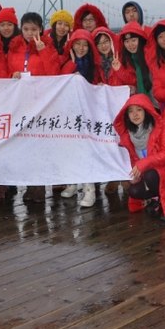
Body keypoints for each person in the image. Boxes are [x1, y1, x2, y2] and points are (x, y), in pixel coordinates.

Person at [8, 12, 59, 202]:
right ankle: (29, 183)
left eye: (34, 29)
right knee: (25, 145)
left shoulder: (48, 46)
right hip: (20, 103)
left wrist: (43, 50)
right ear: (21, 29)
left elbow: (54, 73)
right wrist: (11, 75)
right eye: (26, 29)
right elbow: (6, 72)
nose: (30, 33)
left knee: (40, 144)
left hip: (41, 103)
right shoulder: (14, 48)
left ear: (41, 29)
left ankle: (38, 187)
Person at [58, 29, 104, 207]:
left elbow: (98, 84)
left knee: (87, 149)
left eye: (85, 45)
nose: (81, 48)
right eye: (77, 44)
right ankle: (72, 182)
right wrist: (71, 63)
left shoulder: (94, 65)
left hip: (88, 112)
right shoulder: (66, 62)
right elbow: (61, 80)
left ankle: (89, 189)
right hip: (69, 111)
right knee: (70, 148)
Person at [114, 95, 165, 218]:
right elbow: (134, 160)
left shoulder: (162, 126)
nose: (135, 114)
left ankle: (162, 199)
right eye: (130, 111)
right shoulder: (128, 135)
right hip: (148, 173)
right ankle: (155, 198)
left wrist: (144, 164)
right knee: (134, 190)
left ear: (146, 110)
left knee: (150, 175)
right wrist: (134, 175)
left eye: (139, 109)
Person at [112, 21, 152, 97]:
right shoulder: (129, 59)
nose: (130, 45)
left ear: (140, 40)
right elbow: (133, 80)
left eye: (133, 40)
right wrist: (119, 70)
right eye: (127, 41)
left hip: (156, 102)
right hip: (141, 101)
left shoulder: (149, 56)